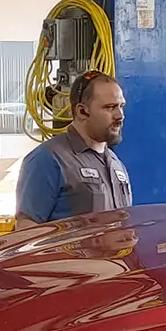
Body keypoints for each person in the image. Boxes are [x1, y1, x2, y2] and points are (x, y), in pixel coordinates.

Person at [14, 71, 132, 227]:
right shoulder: (48, 159)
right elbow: (26, 228)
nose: (120, 115)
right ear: (82, 111)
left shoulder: (116, 164)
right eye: (110, 107)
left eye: (121, 106)